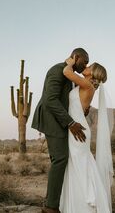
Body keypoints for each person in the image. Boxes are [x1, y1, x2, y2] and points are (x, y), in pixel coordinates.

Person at [31, 48, 90, 213]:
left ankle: (53, 201)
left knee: (60, 159)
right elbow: (50, 100)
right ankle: (50, 207)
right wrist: (70, 123)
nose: (86, 65)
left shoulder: (70, 74)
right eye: (84, 61)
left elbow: (67, 100)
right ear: (76, 57)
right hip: (52, 121)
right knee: (60, 159)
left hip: (61, 121)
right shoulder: (57, 70)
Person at [59, 57, 113, 213]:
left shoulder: (87, 85)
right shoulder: (88, 87)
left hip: (77, 132)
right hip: (77, 130)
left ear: (93, 72)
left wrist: (70, 62)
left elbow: (66, 72)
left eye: (90, 66)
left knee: (80, 167)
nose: (87, 66)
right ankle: (79, 204)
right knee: (78, 167)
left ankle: (83, 206)